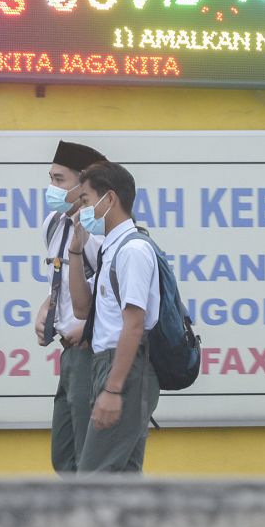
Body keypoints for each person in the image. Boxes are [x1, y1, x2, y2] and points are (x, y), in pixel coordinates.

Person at [67, 161, 160, 473]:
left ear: (109, 200)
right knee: (122, 483)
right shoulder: (113, 249)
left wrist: (113, 389)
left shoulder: (133, 250)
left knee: (92, 480)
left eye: (86, 200)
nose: (81, 209)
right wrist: (76, 252)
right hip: (109, 364)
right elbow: (83, 308)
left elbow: (133, 325)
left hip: (124, 367)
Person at [35, 140, 106, 473]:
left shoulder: (99, 232)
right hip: (69, 354)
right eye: (50, 178)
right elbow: (63, 282)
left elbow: (118, 294)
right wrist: (46, 309)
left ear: (85, 185)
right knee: (64, 457)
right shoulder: (54, 223)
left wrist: (87, 325)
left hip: (92, 354)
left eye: (60, 180)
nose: (52, 188)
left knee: (88, 459)